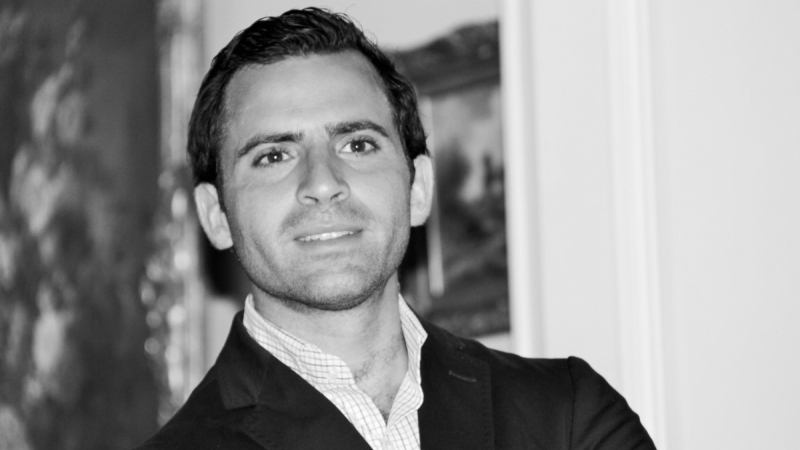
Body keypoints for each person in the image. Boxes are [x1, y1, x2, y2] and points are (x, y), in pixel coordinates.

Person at [136, 7, 655, 450]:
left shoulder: (568, 415)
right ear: (216, 215)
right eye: (274, 155)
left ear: (418, 188)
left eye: (357, 144)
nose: (323, 183)